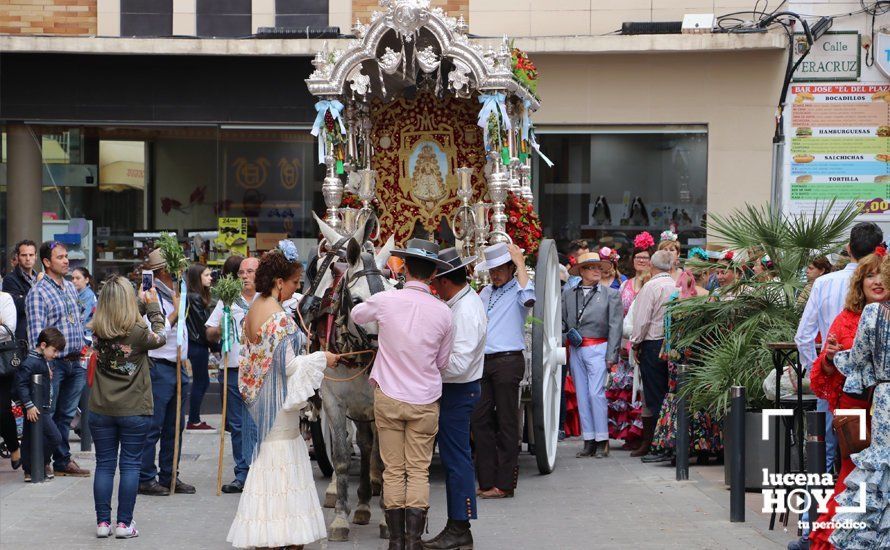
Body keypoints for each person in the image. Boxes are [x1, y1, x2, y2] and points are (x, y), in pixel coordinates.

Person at [227, 241, 333, 550]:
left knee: (268, 467)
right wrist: (322, 359)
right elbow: (286, 367)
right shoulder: (278, 317)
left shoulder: (254, 309)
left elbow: (257, 359)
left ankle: (268, 534)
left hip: (260, 400)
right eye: (295, 283)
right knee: (284, 467)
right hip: (279, 405)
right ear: (278, 282)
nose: (297, 288)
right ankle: (285, 535)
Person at [351, 238, 453, 550]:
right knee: (418, 472)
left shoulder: (386, 300)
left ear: (405, 269)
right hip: (424, 400)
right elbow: (443, 362)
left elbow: (356, 315)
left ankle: (396, 541)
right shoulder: (444, 313)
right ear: (433, 274)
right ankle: (412, 539)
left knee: (394, 470)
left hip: (390, 397)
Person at [789, 222, 883, 550]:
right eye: (870, 276)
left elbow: (806, 339)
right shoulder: (847, 317)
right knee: (848, 473)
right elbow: (825, 371)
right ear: (861, 281)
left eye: (882, 276)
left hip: (877, 410)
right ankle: (823, 538)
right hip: (854, 409)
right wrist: (828, 360)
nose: (877, 281)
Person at [89, 276, 167, 539]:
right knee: (131, 465)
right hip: (134, 407)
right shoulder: (138, 332)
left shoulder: (97, 328)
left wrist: (140, 305)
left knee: (104, 465)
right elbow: (160, 334)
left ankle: (102, 523)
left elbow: (122, 321)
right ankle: (124, 524)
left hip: (101, 408)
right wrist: (153, 305)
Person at [827, 260, 890, 550]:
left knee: (881, 472)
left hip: (886, 399)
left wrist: (837, 357)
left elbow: (856, 361)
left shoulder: (874, 312)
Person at [426, 248, 486, 549]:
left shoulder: (466, 311)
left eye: (436, 281)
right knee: (454, 459)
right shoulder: (460, 304)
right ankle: (458, 525)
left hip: (458, 390)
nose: (434, 287)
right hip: (456, 389)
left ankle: (460, 526)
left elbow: (459, 364)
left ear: (446, 282)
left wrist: (424, 365)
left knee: (456, 460)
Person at [473, 242, 535, 499]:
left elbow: (529, 299)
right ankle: (487, 481)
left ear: (510, 268)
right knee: (479, 420)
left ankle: (505, 484)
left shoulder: (520, 290)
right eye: (492, 270)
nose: (495, 275)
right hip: (484, 362)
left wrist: (520, 264)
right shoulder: (486, 291)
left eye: (500, 269)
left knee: (508, 421)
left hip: (508, 361)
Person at [25, 241, 90, 477]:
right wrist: (43, 365)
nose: (66, 261)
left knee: (66, 416)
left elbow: (77, 320)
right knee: (48, 415)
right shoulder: (38, 293)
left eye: (66, 256)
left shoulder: (71, 287)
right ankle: (40, 460)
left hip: (76, 361)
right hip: (54, 364)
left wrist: (85, 346)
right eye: (60, 257)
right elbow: (35, 335)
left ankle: (62, 461)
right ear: (46, 262)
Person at [646, 269, 723, 465]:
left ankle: (678, 446)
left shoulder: (676, 297)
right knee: (702, 398)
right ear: (705, 276)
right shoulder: (710, 297)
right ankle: (705, 448)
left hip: (679, 355)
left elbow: (668, 328)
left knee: (677, 396)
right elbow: (716, 330)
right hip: (702, 353)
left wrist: (667, 351)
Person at [139, 248, 194, 496]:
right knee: (154, 425)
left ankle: (170, 475)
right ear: (165, 270)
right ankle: (146, 477)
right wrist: (173, 312)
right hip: (159, 365)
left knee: (175, 426)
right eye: (177, 267)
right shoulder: (149, 294)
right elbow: (155, 332)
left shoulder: (175, 292)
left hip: (177, 365)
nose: (181, 272)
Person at [563, 250, 623, 458]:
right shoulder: (568, 294)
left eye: (599, 267)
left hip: (599, 347)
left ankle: (602, 439)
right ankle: (589, 439)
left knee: (595, 393)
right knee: (581, 393)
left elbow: (616, 326)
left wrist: (611, 356)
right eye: (592, 267)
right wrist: (565, 338)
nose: (597, 271)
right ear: (581, 271)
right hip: (576, 348)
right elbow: (562, 322)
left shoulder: (611, 294)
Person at [206, 255, 254, 493]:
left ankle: (258, 471)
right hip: (233, 369)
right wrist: (219, 329)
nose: (244, 276)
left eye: (250, 272)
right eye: (241, 273)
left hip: (259, 371)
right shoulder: (228, 300)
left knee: (256, 422)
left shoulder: (267, 299)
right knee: (237, 424)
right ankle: (242, 473)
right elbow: (209, 333)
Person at [628, 250, 676, 459]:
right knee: (668, 394)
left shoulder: (651, 286)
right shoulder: (675, 285)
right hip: (673, 344)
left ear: (652, 266)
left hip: (653, 343)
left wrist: (635, 343)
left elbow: (642, 320)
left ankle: (659, 445)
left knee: (655, 396)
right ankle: (667, 443)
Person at [14, 328, 65, 482]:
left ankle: (31, 468)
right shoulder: (31, 361)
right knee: (54, 437)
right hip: (36, 408)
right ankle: (38, 463)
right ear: (43, 345)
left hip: (39, 406)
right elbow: (21, 384)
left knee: (30, 437)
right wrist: (29, 405)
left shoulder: (39, 359)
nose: (55, 355)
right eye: (54, 351)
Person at [185, 263, 214, 431]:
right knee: (201, 382)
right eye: (206, 275)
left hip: (197, 343)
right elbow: (202, 326)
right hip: (197, 344)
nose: (210, 278)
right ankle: (194, 419)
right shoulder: (195, 297)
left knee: (202, 381)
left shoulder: (194, 296)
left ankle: (194, 418)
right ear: (197, 278)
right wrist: (215, 343)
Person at [3, 240, 41, 343]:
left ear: (36, 257)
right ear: (18, 257)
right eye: (24, 255)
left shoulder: (40, 278)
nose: (28, 259)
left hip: (41, 333)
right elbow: (17, 306)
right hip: (23, 337)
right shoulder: (10, 279)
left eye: (31, 255)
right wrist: (38, 287)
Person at [0, 288, 21, 470]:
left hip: (2, 363)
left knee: (2, 410)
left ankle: (14, 447)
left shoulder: (4, 299)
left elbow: (8, 329)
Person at [71, 267, 97, 344]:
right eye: (72, 278)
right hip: (79, 334)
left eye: (78, 278)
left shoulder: (88, 295)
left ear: (86, 280)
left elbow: (83, 318)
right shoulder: (77, 294)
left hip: (85, 336)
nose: (74, 281)